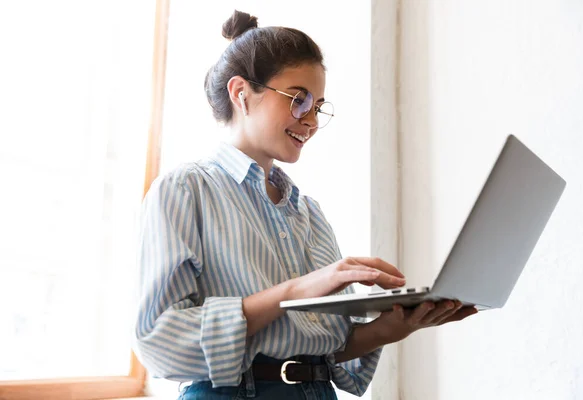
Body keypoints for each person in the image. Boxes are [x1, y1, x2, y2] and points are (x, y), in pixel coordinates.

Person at [134, 10, 478, 400]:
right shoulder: (183, 191)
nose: (311, 121)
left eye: (318, 107)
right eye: (299, 100)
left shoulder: (307, 212)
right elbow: (158, 341)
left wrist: (397, 325)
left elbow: (327, 348)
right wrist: (295, 291)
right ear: (241, 93)